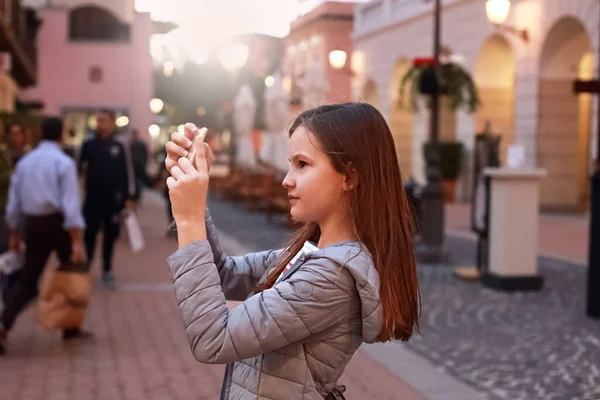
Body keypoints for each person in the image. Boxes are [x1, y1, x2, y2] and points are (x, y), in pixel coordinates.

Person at [163, 103, 421, 399]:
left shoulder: (331, 276)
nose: (286, 179)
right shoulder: (310, 253)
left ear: (349, 177)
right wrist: (192, 187)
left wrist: (190, 218)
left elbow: (212, 338)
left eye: (302, 164)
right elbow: (224, 274)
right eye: (290, 164)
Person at [0, 117, 90, 354]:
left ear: (41, 133)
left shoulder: (25, 163)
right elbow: (71, 206)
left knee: (28, 278)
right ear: (61, 135)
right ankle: (70, 326)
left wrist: (14, 233)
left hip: (33, 224)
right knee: (73, 272)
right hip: (57, 224)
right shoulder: (64, 163)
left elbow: (14, 205)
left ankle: (3, 323)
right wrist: (77, 240)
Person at [78, 109, 136, 287]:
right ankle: (86, 267)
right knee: (89, 235)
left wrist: (129, 197)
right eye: (98, 120)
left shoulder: (120, 144)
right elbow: (78, 168)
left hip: (113, 200)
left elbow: (127, 172)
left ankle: (107, 270)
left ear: (112, 122)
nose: (100, 123)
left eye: (104, 120)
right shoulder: (88, 143)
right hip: (92, 199)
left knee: (110, 236)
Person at [0, 123, 31, 253]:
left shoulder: (30, 155)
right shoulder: (3, 154)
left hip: (26, 206)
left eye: (18, 133)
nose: (15, 137)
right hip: (4, 205)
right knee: (5, 243)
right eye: (12, 134)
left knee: (23, 244)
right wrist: (12, 175)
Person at [129, 128, 149, 201]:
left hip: (136, 167)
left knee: (137, 183)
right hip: (139, 166)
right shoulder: (141, 144)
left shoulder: (132, 144)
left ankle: (136, 197)